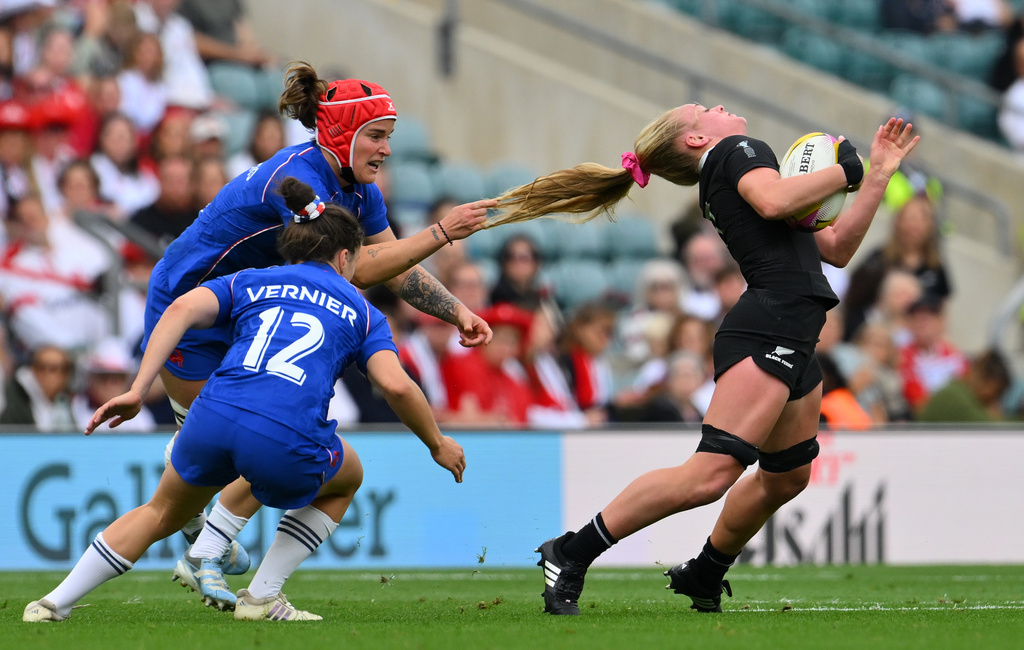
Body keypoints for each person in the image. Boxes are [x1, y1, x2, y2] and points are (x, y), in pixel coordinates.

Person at [490, 103, 919, 615]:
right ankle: (570, 552)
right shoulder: (739, 150)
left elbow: (836, 246)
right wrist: (845, 170)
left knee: (788, 476)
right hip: (770, 326)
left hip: (795, 330)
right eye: (701, 110)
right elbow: (774, 201)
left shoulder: (734, 165)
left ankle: (705, 572)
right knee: (710, 475)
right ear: (695, 139)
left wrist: (877, 176)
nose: (716, 106)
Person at [23, 177, 465, 623]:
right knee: (346, 473)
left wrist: (139, 388)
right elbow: (397, 386)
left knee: (159, 511)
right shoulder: (363, 310)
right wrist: (437, 443)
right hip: (283, 434)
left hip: (210, 416)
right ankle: (260, 597)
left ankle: (53, 603)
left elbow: (177, 310)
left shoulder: (250, 280)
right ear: (346, 257)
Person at [148, 62, 493, 595]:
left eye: (389, 137)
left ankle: (208, 543)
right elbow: (349, 265)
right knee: (247, 435)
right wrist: (443, 232)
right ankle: (206, 552)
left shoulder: (360, 188)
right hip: (193, 310)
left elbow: (390, 261)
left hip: (248, 312)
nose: (386, 149)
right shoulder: (300, 180)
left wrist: (455, 311)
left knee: (235, 439)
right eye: (376, 136)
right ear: (341, 133)